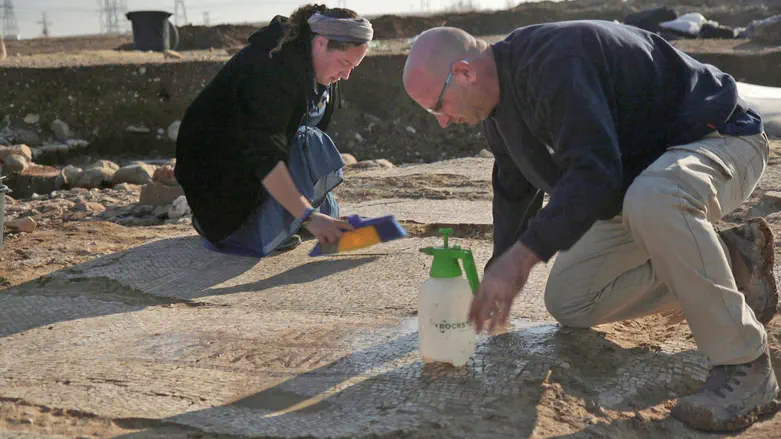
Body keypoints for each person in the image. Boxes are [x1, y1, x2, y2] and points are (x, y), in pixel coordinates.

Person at [403, 21, 778, 431]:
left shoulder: (558, 60)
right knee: (571, 299)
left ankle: (745, 365)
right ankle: (733, 258)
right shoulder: (497, 114)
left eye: (436, 106)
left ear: (464, 72)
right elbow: (515, 189)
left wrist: (525, 258)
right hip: (640, 181)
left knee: (653, 199)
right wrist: (500, 263)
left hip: (716, 139)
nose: (441, 121)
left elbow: (594, 174)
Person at [174, 4, 373, 257]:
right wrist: (309, 217)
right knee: (311, 142)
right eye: (345, 63)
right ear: (321, 43)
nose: (346, 75)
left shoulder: (317, 70)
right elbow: (264, 151)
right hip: (221, 186)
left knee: (329, 214)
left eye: (353, 67)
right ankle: (238, 230)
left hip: (257, 170)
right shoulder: (269, 70)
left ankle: (284, 218)